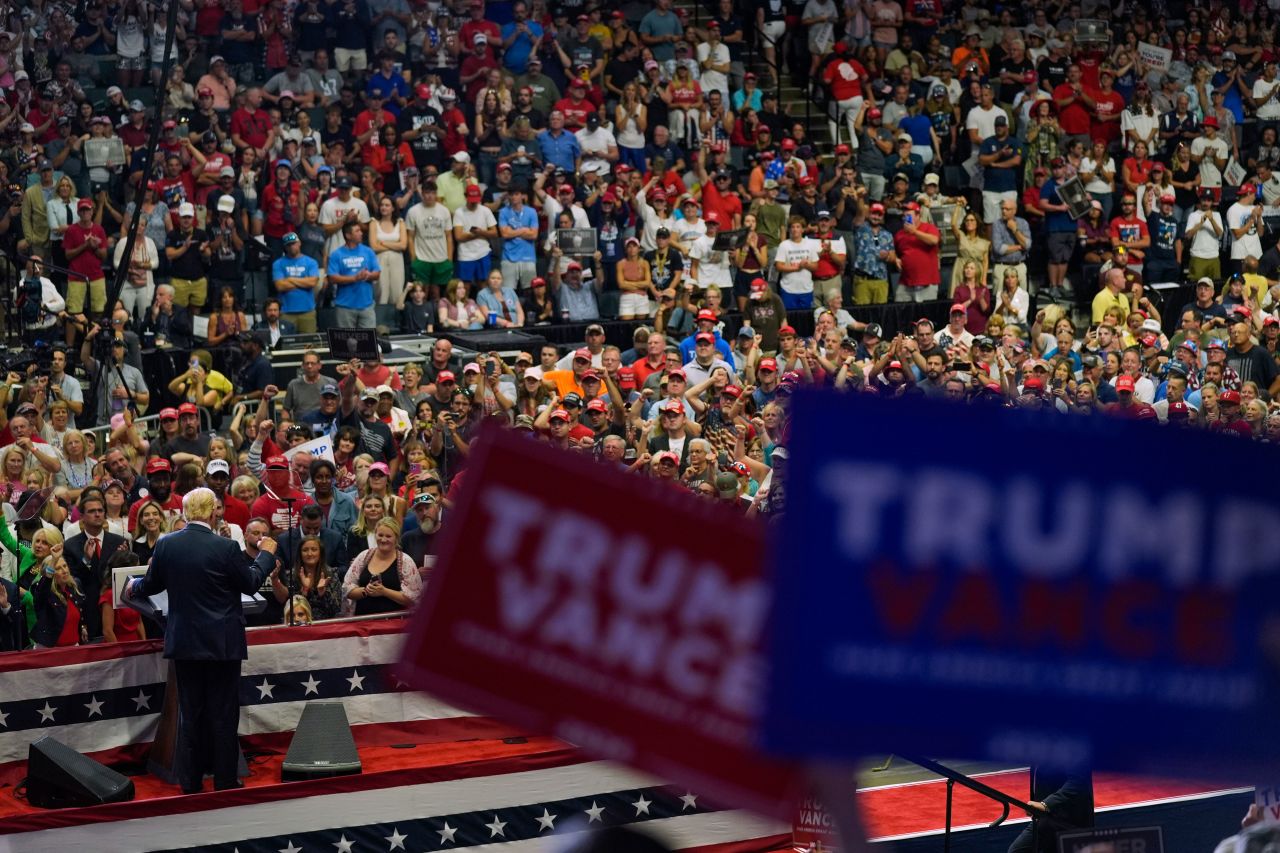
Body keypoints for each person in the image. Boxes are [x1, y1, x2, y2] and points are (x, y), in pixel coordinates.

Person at [130, 488, 278, 794]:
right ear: (214, 513)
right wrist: (267, 554)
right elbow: (251, 582)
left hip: (185, 642)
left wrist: (134, 587)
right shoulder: (225, 547)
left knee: (191, 713)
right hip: (222, 644)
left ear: (184, 513)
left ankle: (191, 782)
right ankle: (224, 780)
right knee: (223, 714)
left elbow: (151, 584)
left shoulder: (167, 544)